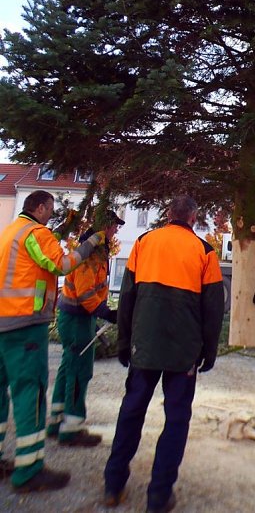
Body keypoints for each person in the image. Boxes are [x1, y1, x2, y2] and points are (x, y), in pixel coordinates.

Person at [104, 194, 224, 513]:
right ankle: (159, 496)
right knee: (176, 419)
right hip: (183, 351)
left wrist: (124, 341)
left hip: (144, 344)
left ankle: (113, 485)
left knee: (131, 411)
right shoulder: (205, 252)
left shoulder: (144, 243)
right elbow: (213, 310)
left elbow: (127, 297)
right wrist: (209, 351)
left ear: (169, 214)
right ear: (193, 218)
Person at [0, 189, 106, 493]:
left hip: (4, 321)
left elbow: (36, 258)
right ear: (40, 207)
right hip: (24, 324)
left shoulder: (11, 232)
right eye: (50, 208)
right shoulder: (36, 233)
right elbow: (61, 264)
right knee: (29, 392)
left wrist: (67, 228)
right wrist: (91, 242)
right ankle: (29, 470)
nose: (50, 213)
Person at [47, 209, 124, 446]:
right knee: (79, 371)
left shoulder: (94, 251)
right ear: (104, 227)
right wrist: (106, 313)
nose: (116, 230)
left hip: (75, 317)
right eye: (114, 226)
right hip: (77, 319)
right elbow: (85, 292)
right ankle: (72, 429)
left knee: (68, 368)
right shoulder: (90, 254)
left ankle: (57, 421)